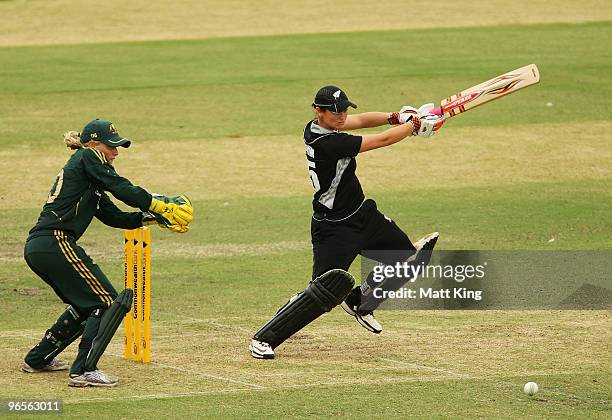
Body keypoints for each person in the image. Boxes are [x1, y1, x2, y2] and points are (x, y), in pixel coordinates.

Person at [249, 86, 442, 359]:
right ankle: (264, 339)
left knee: (406, 259)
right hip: (334, 228)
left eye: (344, 111)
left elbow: (362, 120)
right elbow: (383, 140)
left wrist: (395, 116)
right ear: (319, 110)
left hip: (362, 214)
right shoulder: (327, 144)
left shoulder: (325, 125)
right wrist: (414, 125)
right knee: (321, 295)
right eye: (335, 112)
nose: (342, 117)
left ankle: (359, 302)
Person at [21, 118, 194, 387]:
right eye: (111, 147)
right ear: (93, 143)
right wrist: (159, 205)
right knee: (107, 302)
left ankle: (38, 358)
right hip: (55, 241)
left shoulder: (87, 176)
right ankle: (84, 370)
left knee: (84, 304)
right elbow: (121, 187)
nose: (115, 153)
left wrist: (151, 219)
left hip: (40, 247)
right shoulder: (87, 157)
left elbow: (113, 216)